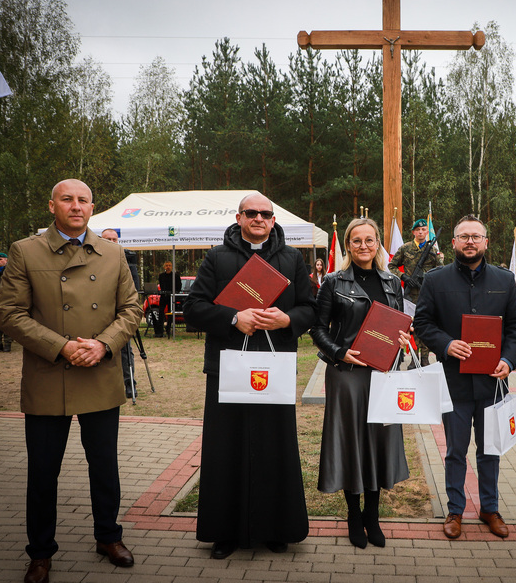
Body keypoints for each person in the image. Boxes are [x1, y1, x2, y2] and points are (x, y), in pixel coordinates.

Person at [0, 179, 142, 583]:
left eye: (83, 200)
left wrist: (104, 345)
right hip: (48, 375)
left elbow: (131, 309)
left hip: (100, 373)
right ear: (52, 205)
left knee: (105, 467)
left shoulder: (113, 253)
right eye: (67, 199)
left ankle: (108, 537)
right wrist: (61, 346)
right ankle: (40, 553)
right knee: (43, 472)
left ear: (92, 207)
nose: (75, 206)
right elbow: (9, 313)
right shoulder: (25, 251)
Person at [183, 192, 316, 558]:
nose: (259, 218)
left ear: (274, 220)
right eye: (251, 213)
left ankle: (277, 528)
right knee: (225, 449)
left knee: (276, 447)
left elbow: (311, 308)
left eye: (266, 214)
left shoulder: (292, 259)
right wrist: (232, 318)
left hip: (273, 366)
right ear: (239, 217)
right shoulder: (217, 257)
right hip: (228, 367)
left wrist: (288, 319)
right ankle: (224, 532)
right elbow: (193, 307)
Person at [413, 215, 516, 540]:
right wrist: (446, 344)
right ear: (453, 242)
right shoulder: (436, 279)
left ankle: (489, 508)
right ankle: (455, 510)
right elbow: (423, 323)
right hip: (454, 383)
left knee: (490, 449)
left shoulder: (504, 280)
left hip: (493, 383)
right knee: (455, 451)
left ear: (486, 242)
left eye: (476, 236)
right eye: (464, 236)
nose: (470, 242)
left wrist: (508, 359)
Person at [310, 218, 411, 549]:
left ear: (378, 243)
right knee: (351, 443)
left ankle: (373, 516)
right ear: (349, 245)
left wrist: (402, 339)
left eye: (370, 240)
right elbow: (317, 330)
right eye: (357, 241)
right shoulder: (333, 282)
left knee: (378, 443)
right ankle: (354, 516)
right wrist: (340, 352)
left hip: (382, 374)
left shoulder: (392, 282)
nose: (364, 246)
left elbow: (400, 326)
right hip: (347, 375)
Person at [388, 218, 441, 368]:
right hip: (411, 296)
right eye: (418, 230)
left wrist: (429, 278)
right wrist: (403, 277)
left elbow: (441, 269)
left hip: (428, 294)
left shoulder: (432, 250)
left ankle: (424, 359)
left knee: (426, 324)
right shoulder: (405, 248)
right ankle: (413, 358)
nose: (421, 232)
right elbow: (391, 265)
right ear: (413, 232)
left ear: (427, 232)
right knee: (412, 326)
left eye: (424, 230)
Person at [101, 228, 142, 399]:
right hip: (100, 314)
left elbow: (135, 290)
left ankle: (129, 383)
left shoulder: (126, 262)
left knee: (125, 350)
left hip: (121, 315)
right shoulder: (94, 261)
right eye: (107, 239)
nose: (112, 242)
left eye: (114, 239)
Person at [156, 261, 182, 338]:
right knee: (161, 312)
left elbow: (179, 286)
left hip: (171, 296)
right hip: (163, 296)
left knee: (171, 313)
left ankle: (168, 328)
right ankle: (160, 331)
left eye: (169, 265)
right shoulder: (161, 276)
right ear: (164, 267)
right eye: (166, 265)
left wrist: (175, 293)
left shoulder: (176, 276)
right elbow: (161, 285)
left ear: (172, 267)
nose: (168, 267)